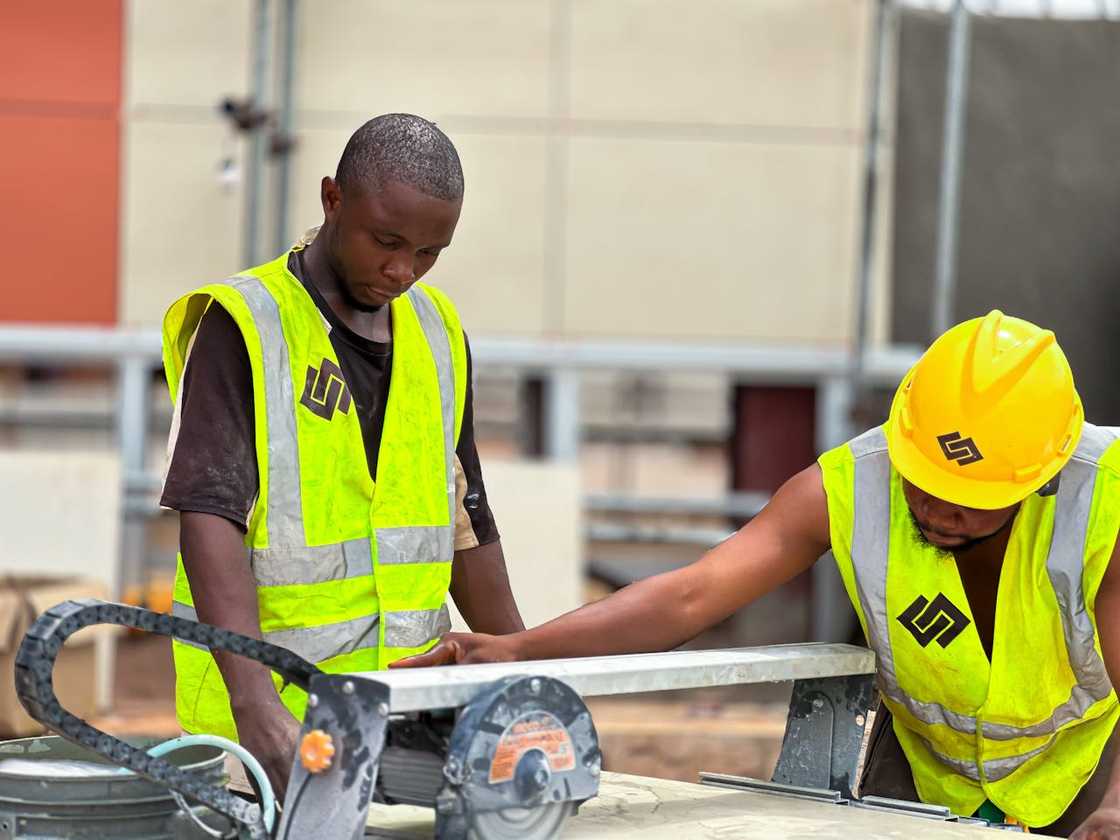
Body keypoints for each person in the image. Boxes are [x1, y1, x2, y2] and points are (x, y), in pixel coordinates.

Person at [396, 311, 1120, 838]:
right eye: (920, 479)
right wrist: (516, 650)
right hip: (922, 774)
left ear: (1039, 482)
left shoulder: (1103, 505)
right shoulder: (850, 486)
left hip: (1077, 778)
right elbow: (691, 596)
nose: (935, 510)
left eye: (966, 501)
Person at [159, 113, 525, 797]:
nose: (401, 270)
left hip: (408, 726)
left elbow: (465, 519)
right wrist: (257, 711)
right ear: (333, 199)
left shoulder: (437, 330)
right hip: (266, 741)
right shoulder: (245, 323)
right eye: (386, 241)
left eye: (429, 252)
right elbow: (208, 517)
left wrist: (531, 676)